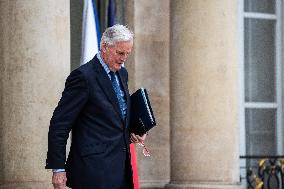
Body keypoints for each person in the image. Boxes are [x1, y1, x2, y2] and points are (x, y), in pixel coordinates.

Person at [46, 24, 147, 189]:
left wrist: (135, 131)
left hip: (121, 170)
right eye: (120, 53)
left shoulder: (123, 73)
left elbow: (115, 117)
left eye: (128, 53)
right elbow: (59, 124)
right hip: (92, 172)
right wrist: (58, 168)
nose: (124, 58)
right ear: (105, 47)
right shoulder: (82, 77)